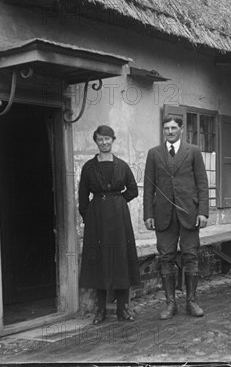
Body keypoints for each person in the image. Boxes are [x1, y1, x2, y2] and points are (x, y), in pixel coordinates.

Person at [143, 115, 209, 319]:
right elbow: (148, 187)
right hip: (163, 214)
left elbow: (202, 184)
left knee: (190, 255)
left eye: (173, 128)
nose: (170, 132)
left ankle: (192, 302)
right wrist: (148, 214)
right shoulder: (154, 154)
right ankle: (170, 304)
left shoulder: (194, 151)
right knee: (166, 257)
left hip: (189, 212)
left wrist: (203, 212)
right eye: (166, 128)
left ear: (182, 129)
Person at [78, 125, 140, 324]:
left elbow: (132, 190)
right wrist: (91, 217)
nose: (104, 143)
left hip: (119, 219)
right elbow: (82, 198)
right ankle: (101, 310)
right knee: (100, 261)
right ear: (96, 142)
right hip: (97, 221)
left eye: (107, 139)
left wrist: (117, 202)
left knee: (120, 259)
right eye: (100, 140)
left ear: (113, 140)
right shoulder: (89, 167)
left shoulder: (122, 166)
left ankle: (123, 309)